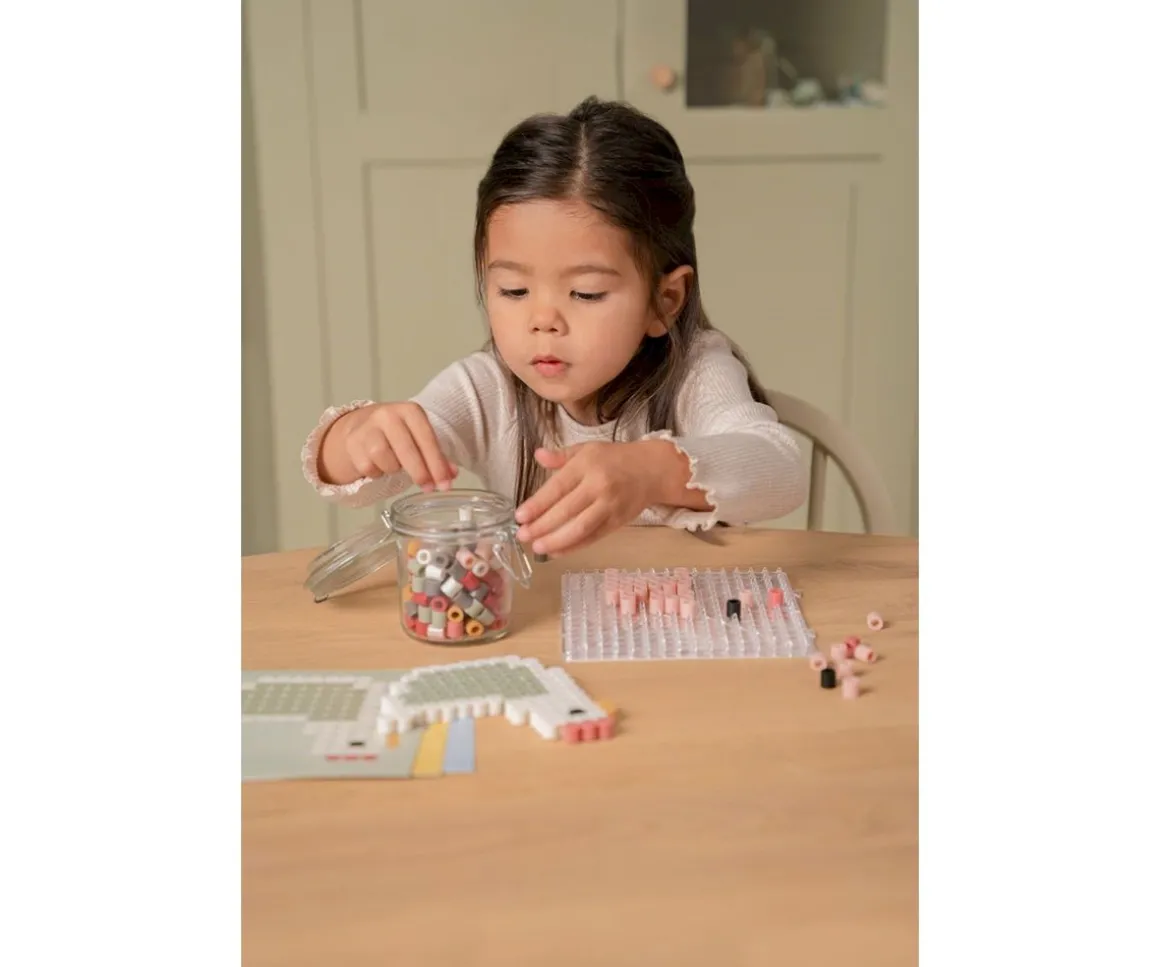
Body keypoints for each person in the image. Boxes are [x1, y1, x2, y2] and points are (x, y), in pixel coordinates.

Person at [302, 96, 806, 558]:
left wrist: (649, 470)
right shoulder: (486, 389)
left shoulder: (696, 371)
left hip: (689, 618)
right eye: (513, 291)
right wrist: (354, 436)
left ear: (664, 300)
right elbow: (354, 479)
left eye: (585, 293)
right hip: (543, 621)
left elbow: (779, 467)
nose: (542, 321)